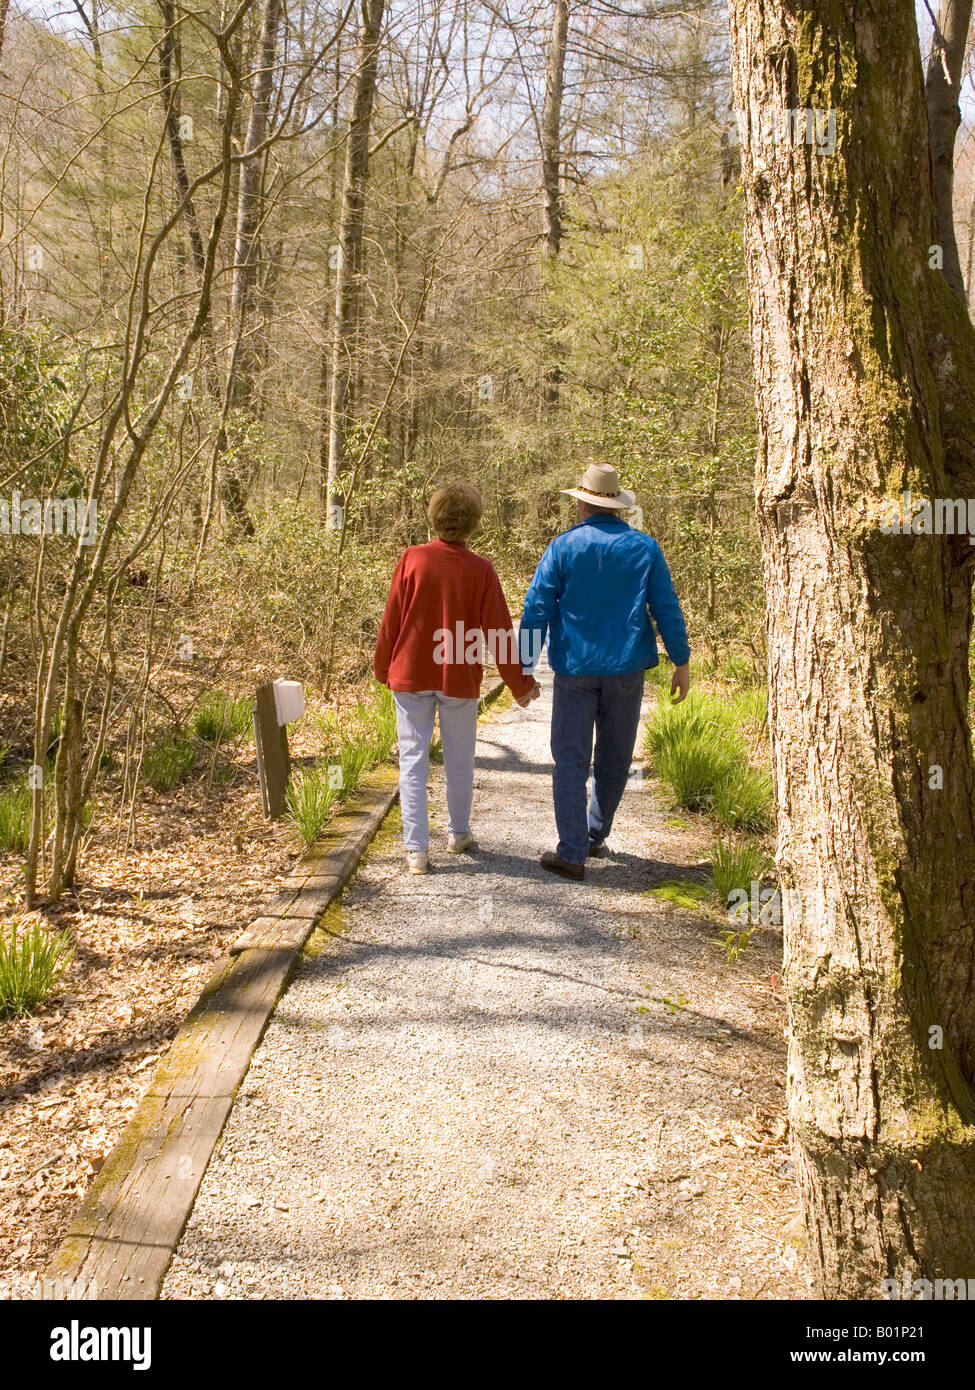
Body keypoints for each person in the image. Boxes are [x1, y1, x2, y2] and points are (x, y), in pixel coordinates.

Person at [519, 461, 690, 882]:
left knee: (570, 760)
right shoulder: (644, 548)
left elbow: (536, 609)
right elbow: (666, 607)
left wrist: (525, 666)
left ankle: (572, 851)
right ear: (618, 507)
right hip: (626, 669)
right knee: (614, 758)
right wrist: (681, 661)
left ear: (582, 504)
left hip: (575, 668)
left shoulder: (563, 547)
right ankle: (593, 835)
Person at [374, 480, 540, 875]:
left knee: (412, 760)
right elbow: (499, 632)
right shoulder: (481, 570)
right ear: (473, 523)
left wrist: (382, 667)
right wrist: (520, 684)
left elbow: (391, 620)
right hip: (459, 674)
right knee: (460, 759)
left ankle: (416, 852)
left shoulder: (412, 559)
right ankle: (459, 833)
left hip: (411, 673)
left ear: (435, 518)